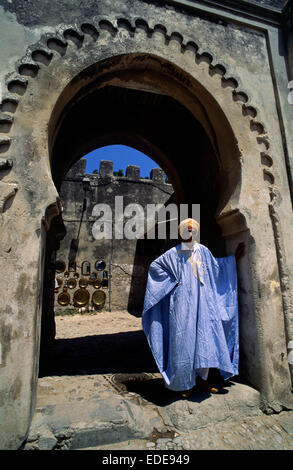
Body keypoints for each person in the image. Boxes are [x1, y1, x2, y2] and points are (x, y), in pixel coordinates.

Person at [142, 218, 245, 398]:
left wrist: (233, 260)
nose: (190, 234)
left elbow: (217, 269)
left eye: (192, 230)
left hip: (205, 304)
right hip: (182, 306)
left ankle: (203, 380)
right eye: (186, 231)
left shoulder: (203, 251)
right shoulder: (173, 254)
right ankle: (184, 383)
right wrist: (173, 280)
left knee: (205, 340)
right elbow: (155, 267)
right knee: (183, 342)